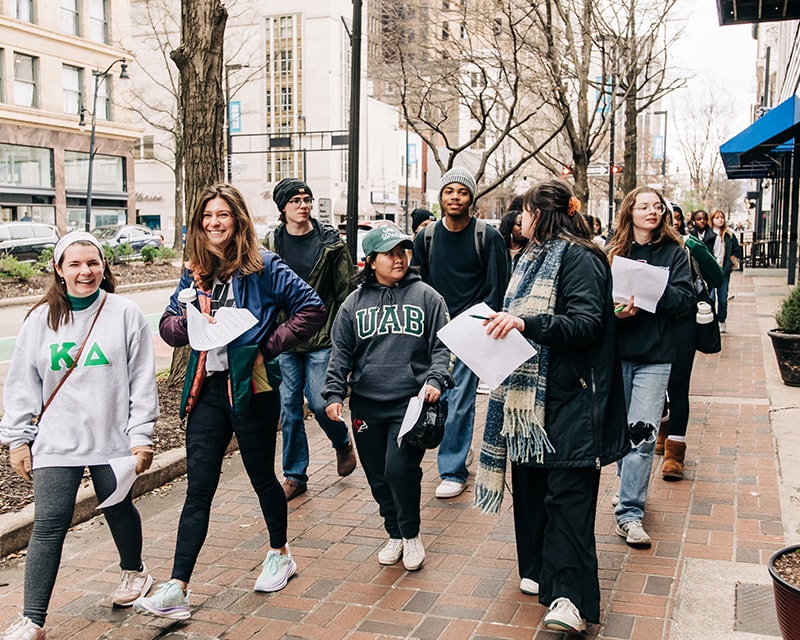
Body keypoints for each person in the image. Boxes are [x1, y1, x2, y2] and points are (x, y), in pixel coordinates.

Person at [134, 183, 325, 620]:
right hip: (208, 390)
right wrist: (189, 326)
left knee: (261, 476)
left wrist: (267, 346)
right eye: (207, 217)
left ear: (238, 219)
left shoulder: (265, 267)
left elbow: (311, 308)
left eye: (222, 215)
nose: (214, 223)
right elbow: (167, 324)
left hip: (252, 385)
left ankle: (280, 552)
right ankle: (177, 586)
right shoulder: (195, 271)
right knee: (199, 487)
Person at [473, 179, 628, 634]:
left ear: (539, 215)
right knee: (538, 496)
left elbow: (585, 325)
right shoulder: (529, 258)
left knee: (568, 504)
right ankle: (546, 577)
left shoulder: (580, 257)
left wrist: (526, 322)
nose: (517, 220)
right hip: (532, 406)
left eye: (522, 211)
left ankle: (572, 602)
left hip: (573, 401)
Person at [0, 231, 159, 640]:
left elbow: (143, 380)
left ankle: (134, 572)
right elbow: (21, 384)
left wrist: (141, 435)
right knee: (49, 524)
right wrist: (18, 439)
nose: (85, 271)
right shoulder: (40, 319)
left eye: (93, 262)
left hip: (112, 438)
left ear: (104, 267)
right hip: (56, 439)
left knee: (118, 507)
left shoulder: (124, 313)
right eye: (75, 263)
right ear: (59, 269)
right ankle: (33, 619)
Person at [322, 226, 453, 571]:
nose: (398, 258)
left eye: (402, 251)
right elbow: (341, 353)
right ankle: (393, 532)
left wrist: (436, 378)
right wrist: (334, 392)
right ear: (370, 261)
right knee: (377, 473)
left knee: (400, 468)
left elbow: (442, 347)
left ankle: (411, 535)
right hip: (366, 403)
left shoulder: (427, 297)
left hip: (410, 402)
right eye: (389, 253)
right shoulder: (353, 304)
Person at [411, 166, 508, 499]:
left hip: (472, 328)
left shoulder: (487, 236)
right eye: (449, 191)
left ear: (471, 198)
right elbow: (418, 283)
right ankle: (452, 450)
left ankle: (452, 469)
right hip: (436, 328)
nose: (455, 197)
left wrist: (480, 323)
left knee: (460, 399)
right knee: (434, 394)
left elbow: (498, 286)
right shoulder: (426, 237)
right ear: (440, 196)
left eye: (462, 192)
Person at [606, 187, 693, 547]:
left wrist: (651, 292)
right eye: (644, 206)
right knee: (617, 432)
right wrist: (618, 311)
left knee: (641, 437)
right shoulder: (614, 252)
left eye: (657, 206)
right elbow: (599, 305)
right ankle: (629, 486)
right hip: (616, 354)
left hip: (656, 357)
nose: (652, 211)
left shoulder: (676, 254)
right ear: (630, 211)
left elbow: (685, 300)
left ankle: (630, 514)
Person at [265, 178, 356, 501]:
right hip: (285, 339)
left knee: (320, 403)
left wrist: (347, 337)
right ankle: (295, 475)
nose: (303, 205)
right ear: (282, 208)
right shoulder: (270, 245)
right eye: (295, 201)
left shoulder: (330, 242)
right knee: (288, 408)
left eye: (307, 199)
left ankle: (342, 441)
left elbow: (346, 290)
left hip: (323, 336)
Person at [657, 205, 724, 480]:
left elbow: (717, 278)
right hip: (650, 326)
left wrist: (695, 247)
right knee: (655, 386)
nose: (670, 224)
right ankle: (662, 429)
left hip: (683, 323)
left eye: (675, 219)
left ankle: (675, 452)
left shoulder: (689, 246)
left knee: (679, 386)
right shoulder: (643, 246)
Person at [709, 209, 741, 333]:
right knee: (710, 298)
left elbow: (736, 250)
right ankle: (711, 322)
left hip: (724, 271)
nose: (720, 220)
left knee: (722, 298)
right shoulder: (709, 234)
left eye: (721, 217)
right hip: (711, 272)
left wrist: (730, 264)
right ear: (712, 219)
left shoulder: (729, 235)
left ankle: (721, 319)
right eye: (717, 217)